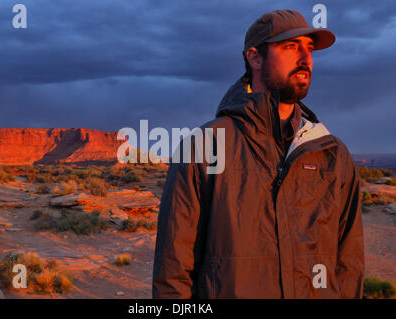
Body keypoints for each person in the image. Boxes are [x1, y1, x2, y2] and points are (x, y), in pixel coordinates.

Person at [152, 9, 364, 298]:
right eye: (291, 47)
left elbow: (349, 266)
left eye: (309, 48)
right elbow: (172, 273)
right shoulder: (204, 147)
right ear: (254, 58)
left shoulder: (333, 155)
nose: (305, 59)